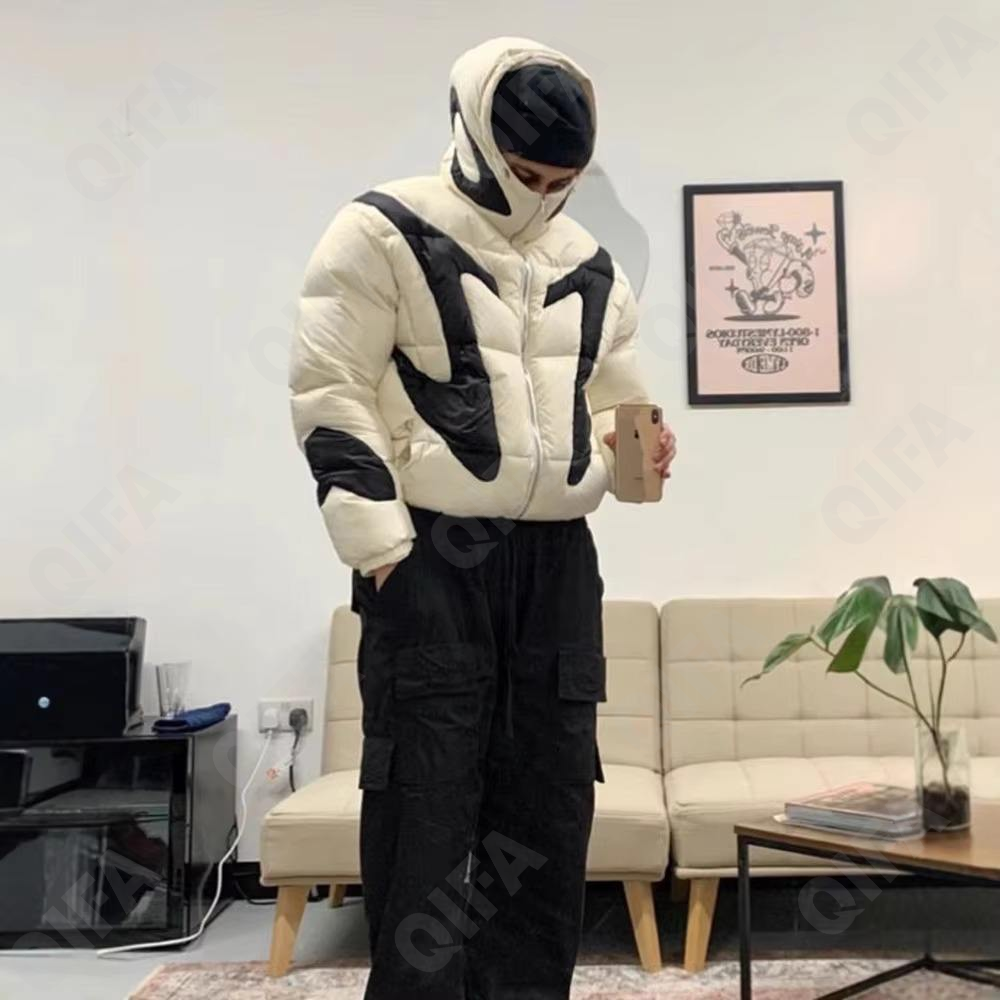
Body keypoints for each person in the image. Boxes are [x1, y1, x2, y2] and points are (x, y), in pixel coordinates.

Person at [288, 35, 676, 1000]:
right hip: (432, 554)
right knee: (425, 802)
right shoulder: (383, 229)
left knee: (548, 806)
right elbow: (329, 391)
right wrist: (384, 554)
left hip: (558, 563)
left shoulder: (593, 264)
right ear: (472, 135)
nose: (543, 195)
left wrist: (639, 450)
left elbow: (614, 403)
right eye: (526, 174)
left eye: (563, 181)